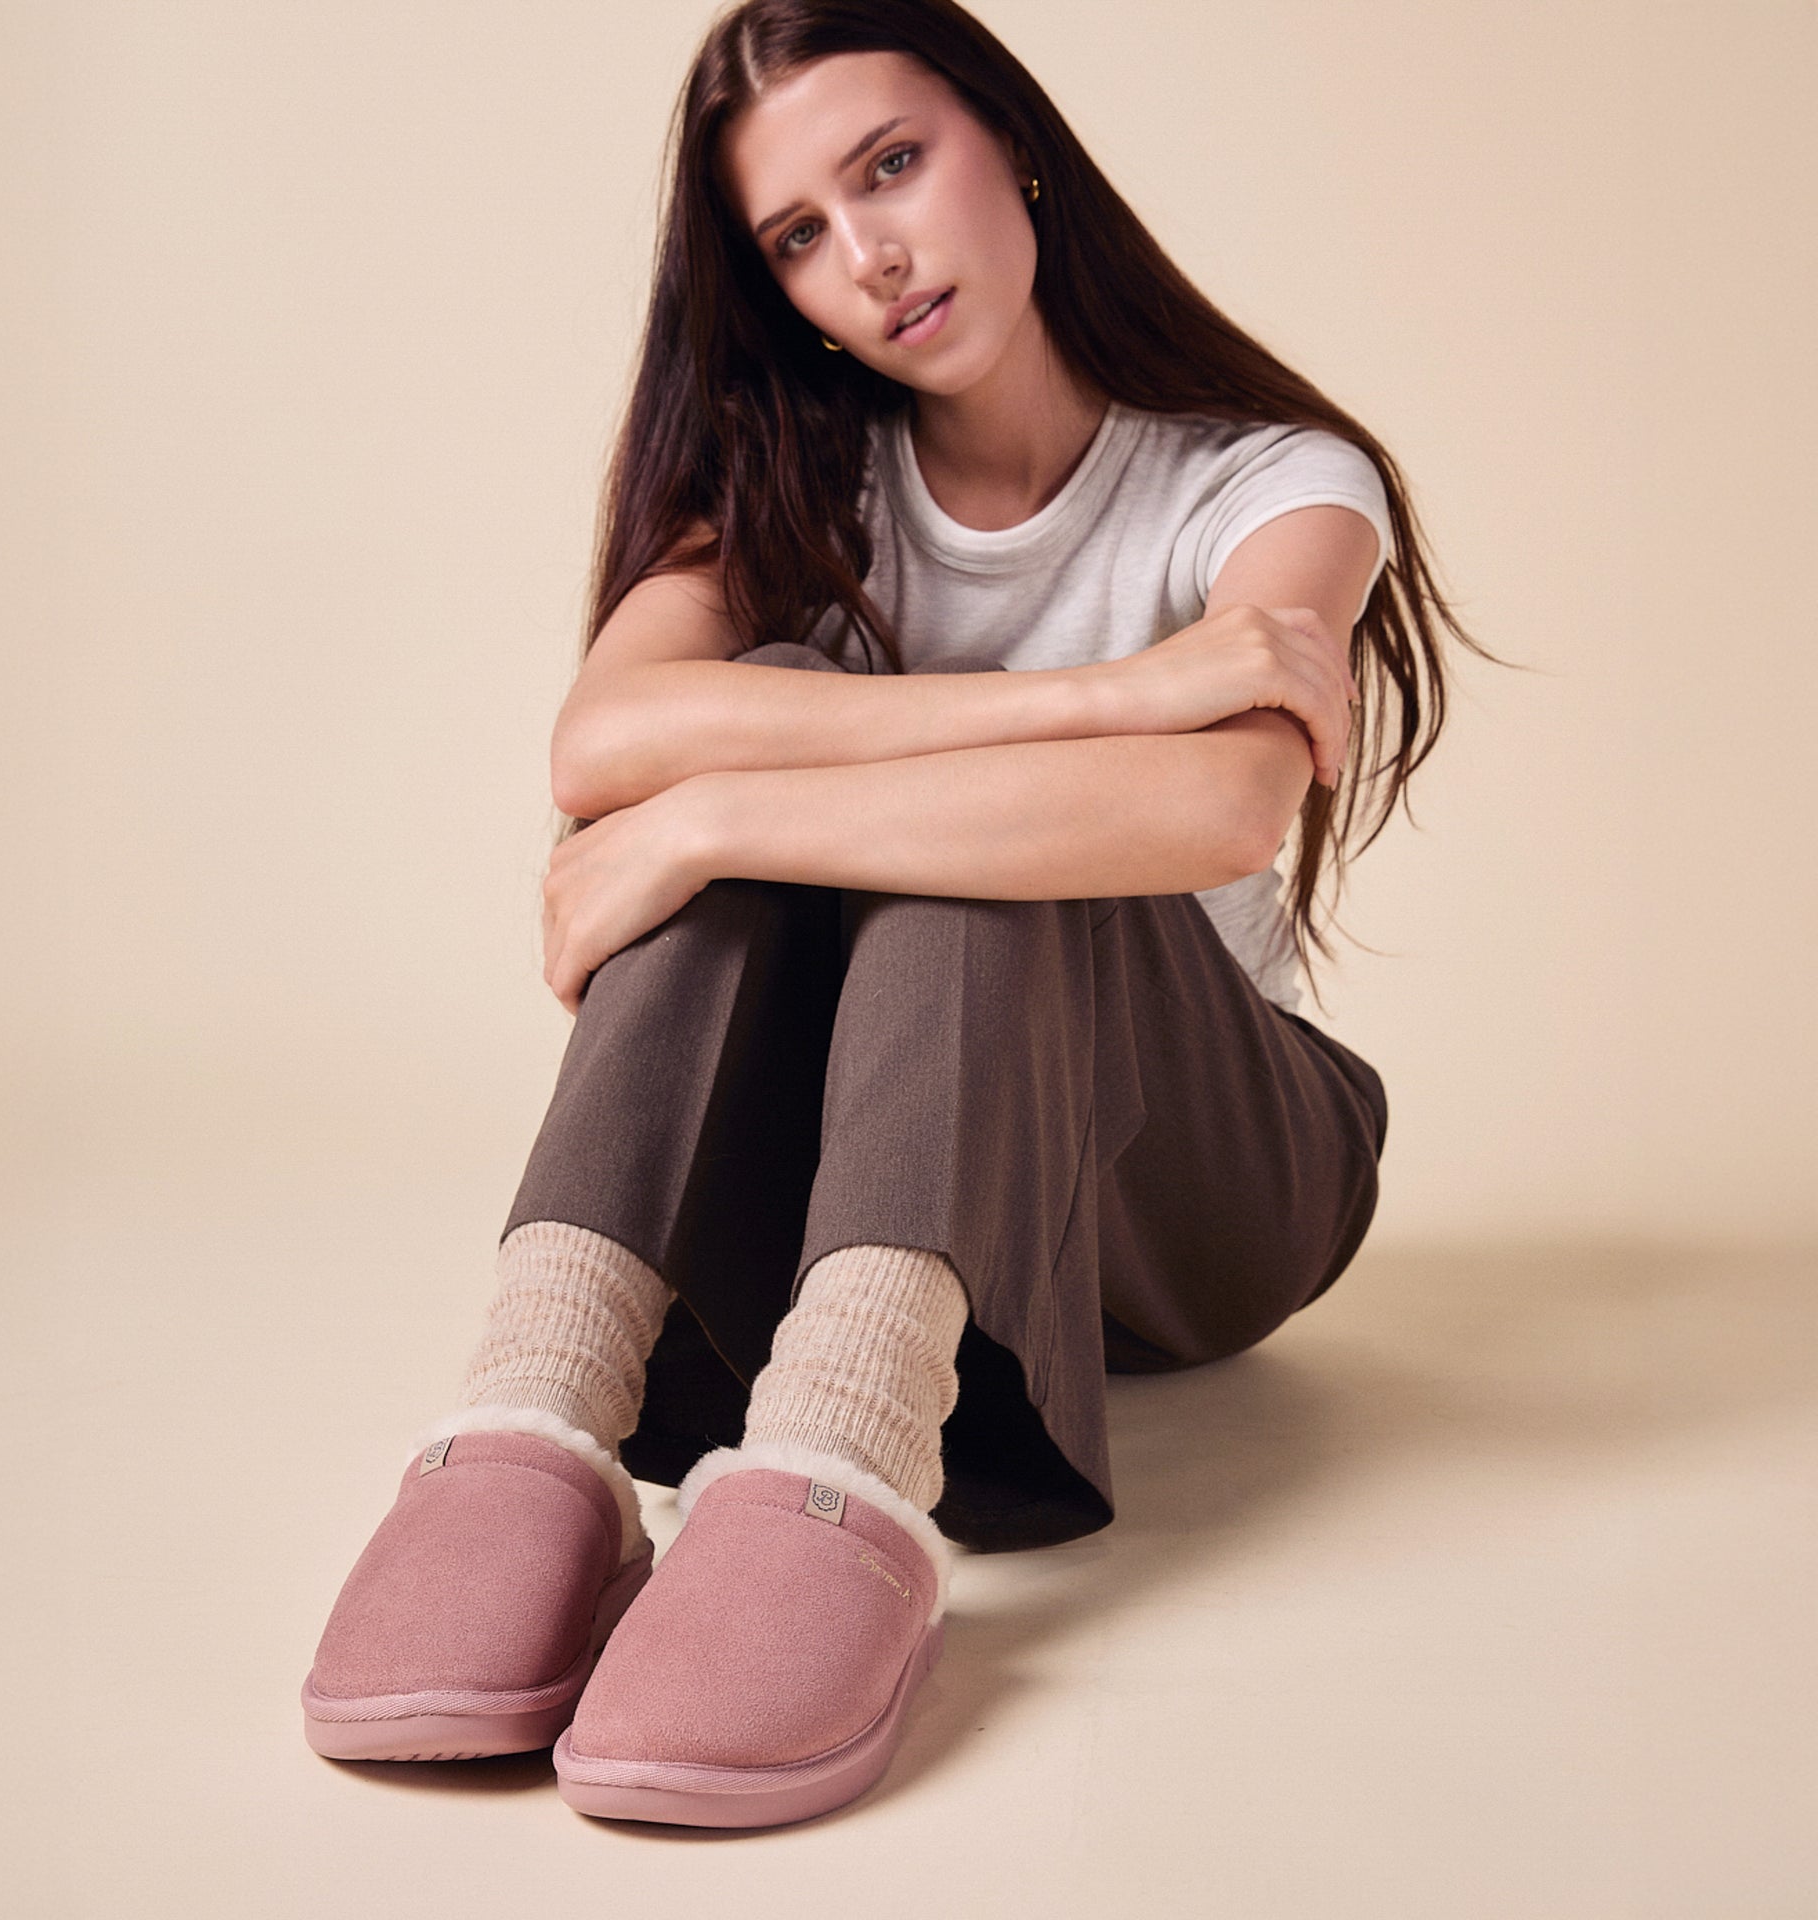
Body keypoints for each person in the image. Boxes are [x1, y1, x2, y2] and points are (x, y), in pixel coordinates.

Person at [299, 0, 1501, 1829]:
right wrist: (1104, 687)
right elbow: (613, 734)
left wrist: (735, 809)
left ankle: (842, 1467)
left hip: (1218, 1186)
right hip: (890, 1170)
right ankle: (536, 1419)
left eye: (891, 165)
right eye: (797, 234)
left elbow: (1224, 796)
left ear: (1010, 142)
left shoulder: (1271, 482)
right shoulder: (795, 483)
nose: (868, 254)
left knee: (991, 854)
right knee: (804, 741)